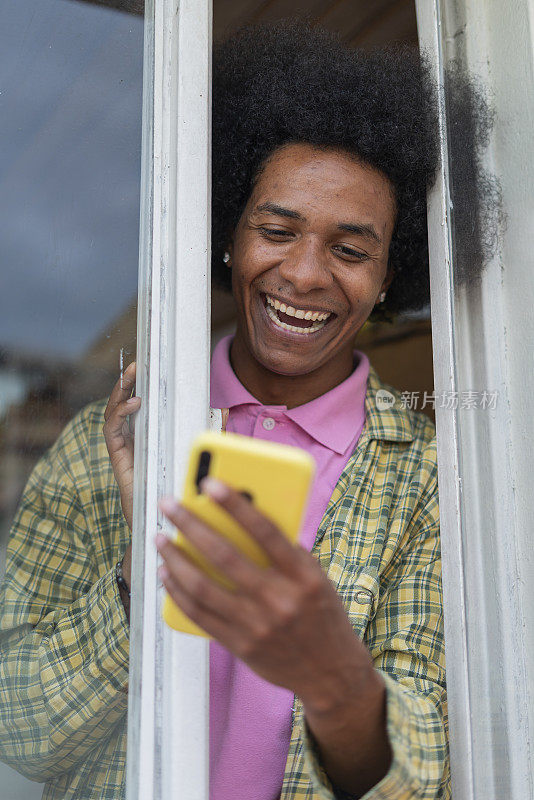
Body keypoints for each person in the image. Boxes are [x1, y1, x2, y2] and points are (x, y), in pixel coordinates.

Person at [0, 20, 448, 800]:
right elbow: (18, 730)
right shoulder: (112, 440)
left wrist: (332, 671)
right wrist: (141, 577)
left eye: (350, 250)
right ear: (229, 239)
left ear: (388, 278)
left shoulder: (429, 482)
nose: (304, 275)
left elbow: (423, 774)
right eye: (276, 230)